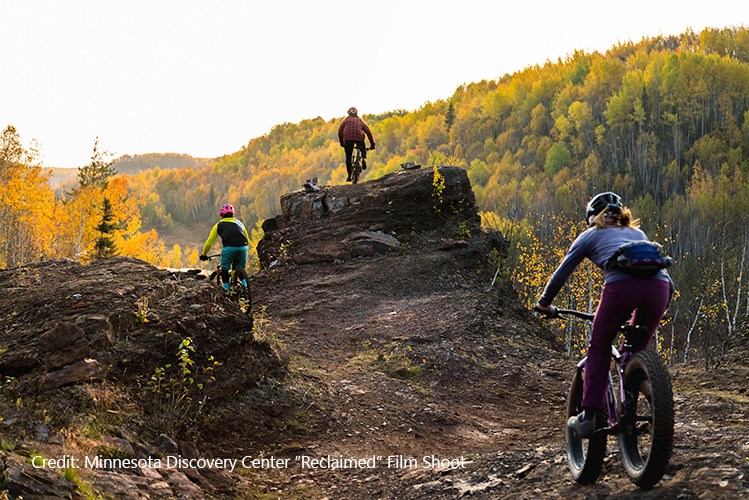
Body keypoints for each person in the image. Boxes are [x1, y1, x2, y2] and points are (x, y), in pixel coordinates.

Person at [535, 192, 674, 438]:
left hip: (621, 289)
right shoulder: (638, 234)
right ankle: (659, 408)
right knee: (635, 354)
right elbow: (664, 275)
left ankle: (588, 417)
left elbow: (561, 273)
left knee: (599, 347)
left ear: (592, 216)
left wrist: (544, 304)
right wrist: (660, 307)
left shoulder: (590, 235)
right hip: (660, 290)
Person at [199, 204, 250, 292]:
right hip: (243, 247)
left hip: (229, 248)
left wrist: (204, 254)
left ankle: (226, 290)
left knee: (225, 268)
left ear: (221, 215)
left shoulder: (219, 225)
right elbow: (247, 239)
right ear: (233, 214)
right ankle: (246, 287)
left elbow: (209, 243)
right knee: (239, 266)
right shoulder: (239, 223)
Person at [338, 107, 376, 182]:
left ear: (348, 113)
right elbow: (368, 132)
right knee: (363, 148)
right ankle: (364, 158)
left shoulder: (345, 121)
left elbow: (339, 132)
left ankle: (349, 175)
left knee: (348, 157)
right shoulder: (359, 120)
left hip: (347, 139)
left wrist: (342, 143)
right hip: (359, 137)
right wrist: (372, 144)